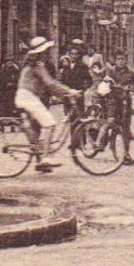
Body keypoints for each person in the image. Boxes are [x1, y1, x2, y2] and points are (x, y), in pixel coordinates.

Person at [15, 36, 79, 172]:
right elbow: (50, 83)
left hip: (25, 96)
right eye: (47, 50)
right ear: (41, 52)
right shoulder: (38, 65)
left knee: (35, 126)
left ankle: (39, 155)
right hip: (29, 97)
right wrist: (70, 91)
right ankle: (45, 157)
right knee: (50, 123)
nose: (48, 53)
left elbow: (49, 85)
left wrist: (62, 94)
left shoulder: (29, 64)